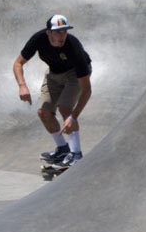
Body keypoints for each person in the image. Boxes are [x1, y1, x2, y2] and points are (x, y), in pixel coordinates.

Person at [13, 14, 92, 168]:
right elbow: (18, 63)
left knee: (65, 108)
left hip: (75, 73)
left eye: (64, 31)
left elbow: (87, 90)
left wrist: (74, 117)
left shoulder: (74, 47)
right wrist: (22, 85)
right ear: (49, 32)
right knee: (44, 112)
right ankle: (63, 149)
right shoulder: (39, 39)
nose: (62, 36)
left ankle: (76, 153)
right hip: (53, 74)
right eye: (57, 32)